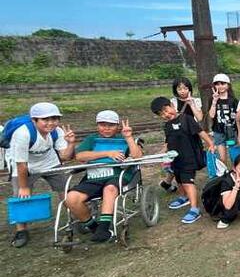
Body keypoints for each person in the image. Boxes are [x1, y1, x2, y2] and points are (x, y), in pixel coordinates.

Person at [66, 111, 143, 242]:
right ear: (97, 125)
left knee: (110, 189)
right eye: (103, 125)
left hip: (118, 175)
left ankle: (103, 228)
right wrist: (107, 153)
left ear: (117, 126)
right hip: (94, 176)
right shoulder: (92, 139)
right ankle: (94, 227)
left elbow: (137, 156)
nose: (106, 128)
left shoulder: (124, 138)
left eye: (111, 125)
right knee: (71, 198)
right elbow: (79, 156)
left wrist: (129, 137)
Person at [9, 102, 76, 248]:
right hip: (26, 166)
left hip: (50, 162)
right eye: (45, 119)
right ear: (34, 120)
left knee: (65, 190)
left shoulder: (57, 131)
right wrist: (24, 187)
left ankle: (74, 219)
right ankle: (21, 230)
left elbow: (64, 157)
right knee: (20, 196)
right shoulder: (23, 133)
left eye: (54, 119)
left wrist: (71, 143)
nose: (50, 123)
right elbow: (21, 164)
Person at [151, 97, 215, 224]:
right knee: (179, 179)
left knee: (187, 182)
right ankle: (183, 197)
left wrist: (211, 144)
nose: (166, 114)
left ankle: (194, 209)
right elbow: (168, 142)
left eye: (166, 110)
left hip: (189, 157)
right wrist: (161, 153)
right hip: (175, 159)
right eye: (162, 114)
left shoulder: (186, 119)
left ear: (172, 105)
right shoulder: (167, 125)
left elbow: (201, 132)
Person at [160, 77, 204, 192]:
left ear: (189, 89)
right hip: (177, 135)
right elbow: (171, 117)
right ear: (175, 90)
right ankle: (181, 183)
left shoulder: (196, 101)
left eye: (185, 88)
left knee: (190, 159)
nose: (183, 91)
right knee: (178, 160)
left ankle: (168, 182)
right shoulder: (172, 102)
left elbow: (199, 118)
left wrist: (191, 103)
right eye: (179, 89)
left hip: (191, 135)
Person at [209, 73, 240, 167]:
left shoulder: (233, 100)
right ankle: (224, 174)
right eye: (217, 84)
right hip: (218, 131)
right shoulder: (212, 99)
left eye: (223, 83)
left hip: (231, 132)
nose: (220, 86)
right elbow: (211, 115)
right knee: (222, 158)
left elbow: (238, 117)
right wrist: (214, 101)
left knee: (234, 156)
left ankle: (236, 173)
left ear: (228, 85)